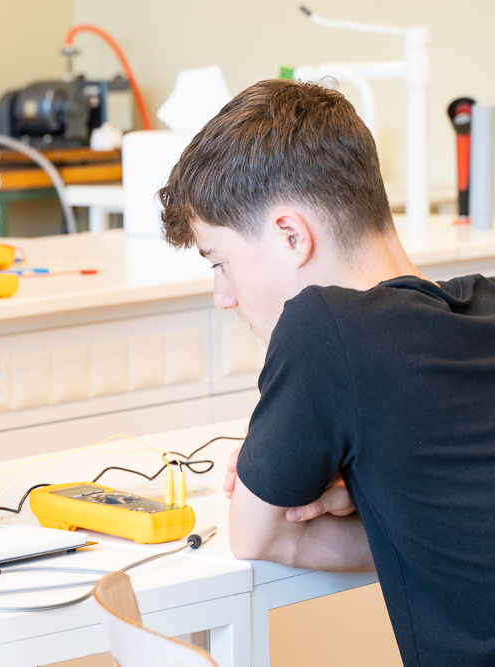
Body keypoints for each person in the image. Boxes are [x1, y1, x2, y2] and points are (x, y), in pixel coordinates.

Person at [158, 78, 495, 666]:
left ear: (291, 236)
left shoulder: (325, 327)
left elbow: (256, 534)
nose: (223, 296)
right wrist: (382, 496)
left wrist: (354, 496)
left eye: (220, 262)